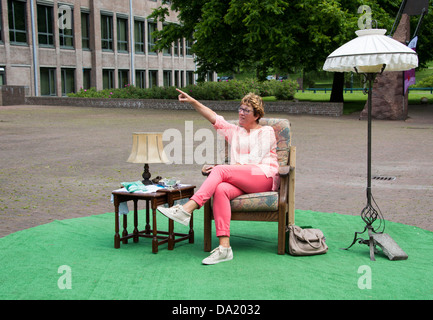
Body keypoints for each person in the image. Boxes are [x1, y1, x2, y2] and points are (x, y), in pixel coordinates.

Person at [158, 88, 279, 264]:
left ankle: (187, 209)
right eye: (240, 108)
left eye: (246, 110)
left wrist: (219, 168)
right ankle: (224, 248)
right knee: (221, 189)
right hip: (243, 178)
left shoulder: (266, 131)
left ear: (257, 115)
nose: (241, 112)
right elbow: (213, 117)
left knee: (221, 171)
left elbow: (253, 160)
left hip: (263, 177)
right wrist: (193, 102)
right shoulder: (235, 131)